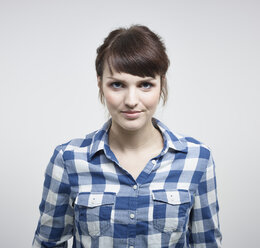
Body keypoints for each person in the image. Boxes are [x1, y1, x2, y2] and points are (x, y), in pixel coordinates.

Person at [32, 25, 222, 248]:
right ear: (100, 84)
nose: (131, 100)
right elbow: (47, 244)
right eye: (117, 85)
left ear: (161, 84)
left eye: (145, 85)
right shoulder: (68, 159)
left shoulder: (197, 158)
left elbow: (207, 244)